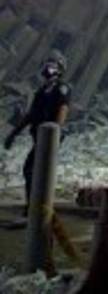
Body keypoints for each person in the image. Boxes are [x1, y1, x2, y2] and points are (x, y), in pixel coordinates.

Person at [3, 50, 71, 209]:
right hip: (39, 136)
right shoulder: (42, 91)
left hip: (48, 137)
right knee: (34, 171)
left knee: (31, 170)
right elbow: (31, 115)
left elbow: (63, 108)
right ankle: (34, 206)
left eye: (53, 64)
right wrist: (13, 134)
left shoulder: (62, 88)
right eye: (48, 64)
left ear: (60, 68)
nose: (49, 68)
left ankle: (35, 208)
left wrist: (54, 132)